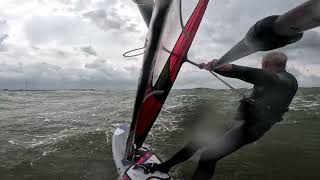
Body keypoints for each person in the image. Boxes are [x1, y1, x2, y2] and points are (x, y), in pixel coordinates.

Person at [135, 51, 298, 179]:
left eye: (263, 65)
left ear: (266, 64)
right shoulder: (275, 79)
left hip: (251, 128)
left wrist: (228, 67)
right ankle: (164, 167)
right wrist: (217, 68)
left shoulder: (286, 80)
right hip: (241, 122)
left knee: (207, 157)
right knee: (197, 142)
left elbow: (260, 76)